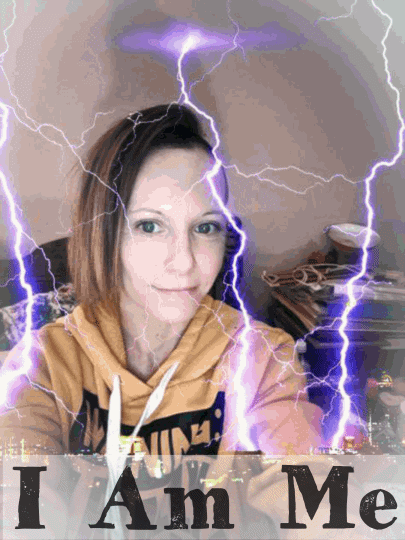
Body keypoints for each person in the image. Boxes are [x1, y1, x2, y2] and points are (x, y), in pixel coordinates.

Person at [0, 103, 321, 458]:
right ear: (105, 235)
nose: (184, 262)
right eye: (150, 226)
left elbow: (298, 475)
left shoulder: (264, 359)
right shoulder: (40, 365)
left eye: (206, 227)